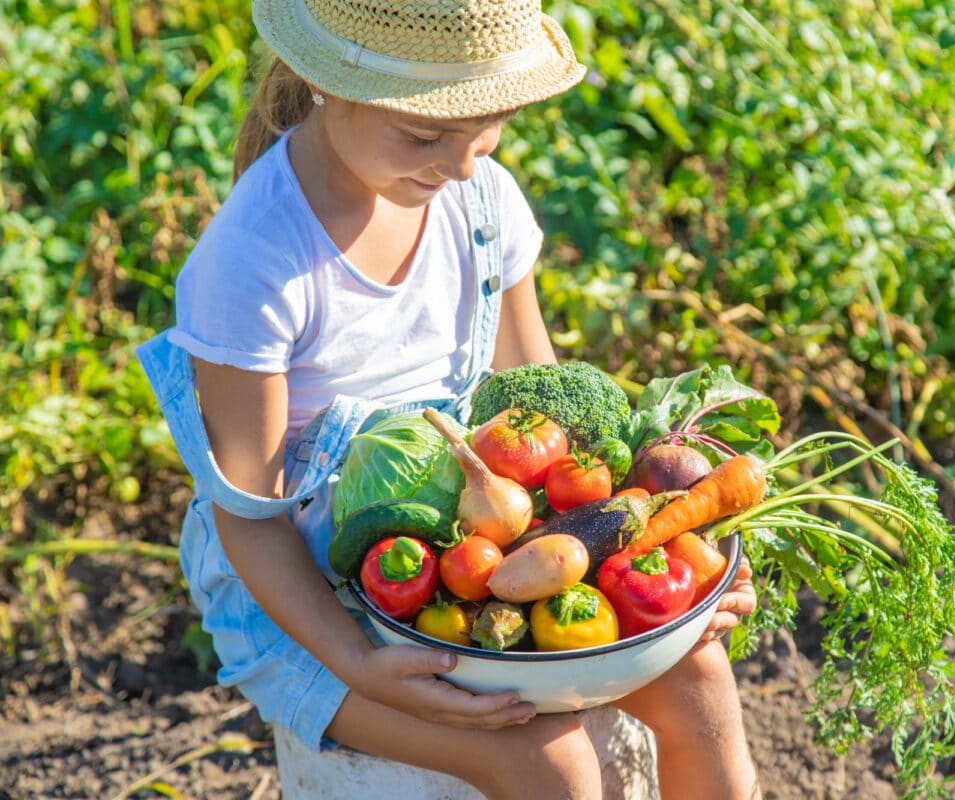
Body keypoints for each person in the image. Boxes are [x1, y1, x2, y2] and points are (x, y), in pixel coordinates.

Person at [137, 1, 761, 798]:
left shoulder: (481, 203)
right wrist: (360, 661)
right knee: (547, 761)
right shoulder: (255, 261)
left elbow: (560, 429)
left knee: (700, 676)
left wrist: (684, 566)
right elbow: (249, 521)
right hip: (309, 600)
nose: (464, 166)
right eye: (428, 135)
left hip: (474, 555)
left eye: (488, 127)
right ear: (330, 85)